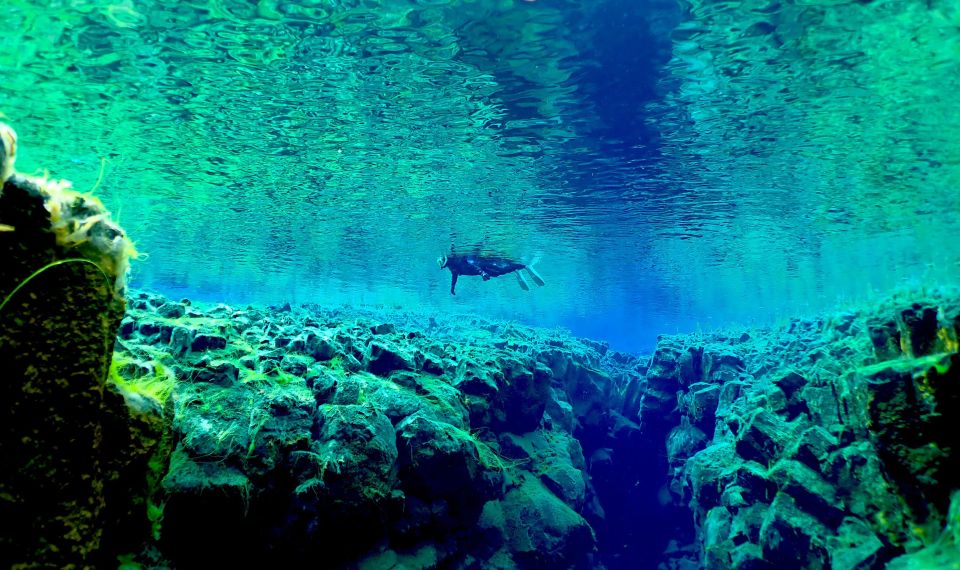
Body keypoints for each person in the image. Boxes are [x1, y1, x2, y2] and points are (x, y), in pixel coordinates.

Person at [437, 250, 545, 295]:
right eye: (446, 266)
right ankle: (517, 270)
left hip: (485, 266)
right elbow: (454, 275)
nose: (447, 267)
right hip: (484, 270)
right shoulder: (453, 267)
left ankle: (525, 266)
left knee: (501, 270)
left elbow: (473, 267)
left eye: (446, 265)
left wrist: (482, 273)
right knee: (498, 273)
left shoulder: (459, 262)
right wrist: (452, 287)